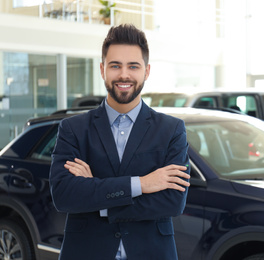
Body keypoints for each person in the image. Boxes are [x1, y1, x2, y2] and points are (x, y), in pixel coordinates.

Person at [49, 23, 190, 260]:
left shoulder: (172, 130)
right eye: (115, 66)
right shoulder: (73, 129)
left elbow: (173, 201)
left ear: (146, 71)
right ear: (103, 69)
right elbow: (64, 195)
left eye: (133, 66)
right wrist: (141, 184)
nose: (124, 74)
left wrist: (96, 193)